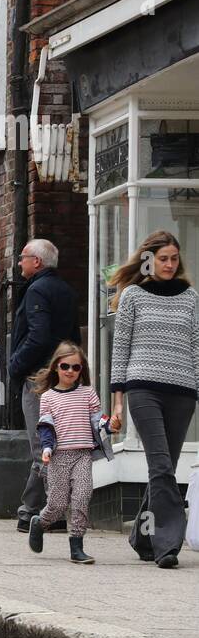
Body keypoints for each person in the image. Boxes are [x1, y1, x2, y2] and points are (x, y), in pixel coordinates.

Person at [109, 230, 199, 570]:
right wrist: (117, 401)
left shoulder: (190, 297)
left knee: (163, 469)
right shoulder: (133, 295)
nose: (169, 264)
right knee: (161, 466)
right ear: (148, 259)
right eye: (163, 258)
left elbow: (196, 346)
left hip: (182, 393)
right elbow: (120, 349)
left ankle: (142, 537)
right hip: (144, 389)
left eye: (174, 259)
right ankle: (167, 545)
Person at [10, 239, 81, 532]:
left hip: (39, 378)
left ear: (37, 262)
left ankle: (33, 512)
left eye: (23, 257)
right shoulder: (65, 290)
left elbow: (38, 336)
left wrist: (15, 364)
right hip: (62, 379)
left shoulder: (38, 290)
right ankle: (53, 512)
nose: (19, 263)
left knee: (42, 447)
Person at [28, 341, 102, 564]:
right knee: (57, 505)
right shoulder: (49, 398)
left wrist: (111, 425)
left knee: (82, 496)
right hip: (59, 457)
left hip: (83, 454)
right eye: (65, 366)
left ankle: (76, 546)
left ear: (82, 371)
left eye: (76, 367)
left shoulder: (88, 393)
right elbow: (46, 427)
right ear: (56, 368)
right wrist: (47, 449)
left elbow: (98, 422)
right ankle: (39, 523)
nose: (70, 371)